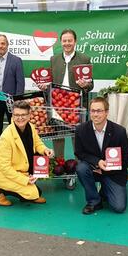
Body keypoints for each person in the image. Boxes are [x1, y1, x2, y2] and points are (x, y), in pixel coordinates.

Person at [37, 29, 93, 159]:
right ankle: (59, 164)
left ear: (75, 42)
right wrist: (45, 87)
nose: (67, 43)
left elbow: (91, 85)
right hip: (57, 104)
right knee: (57, 136)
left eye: (70, 40)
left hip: (76, 105)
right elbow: (50, 82)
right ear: (61, 42)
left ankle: (79, 166)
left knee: (77, 137)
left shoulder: (85, 58)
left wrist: (85, 85)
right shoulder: (54, 59)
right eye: (64, 41)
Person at [0, 100, 54, 206]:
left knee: (36, 193)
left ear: (29, 115)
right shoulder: (6, 137)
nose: (20, 118)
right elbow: (5, 168)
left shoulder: (31, 127)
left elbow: (37, 143)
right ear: (13, 116)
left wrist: (45, 150)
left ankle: (25, 193)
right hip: (3, 174)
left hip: (21, 169)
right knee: (32, 194)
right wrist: (25, 179)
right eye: (17, 115)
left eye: (23, 115)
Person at [74, 97, 128, 214]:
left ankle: (105, 190)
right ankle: (94, 201)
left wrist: (107, 168)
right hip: (93, 169)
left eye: (99, 111)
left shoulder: (119, 131)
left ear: (106, 112)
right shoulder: (81, 130)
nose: (95, 114)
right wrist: (97, 162)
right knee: (81, 168)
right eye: (92, 111)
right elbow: (79, 153)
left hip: (114, 172)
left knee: (119, 207)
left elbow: (127, 157)